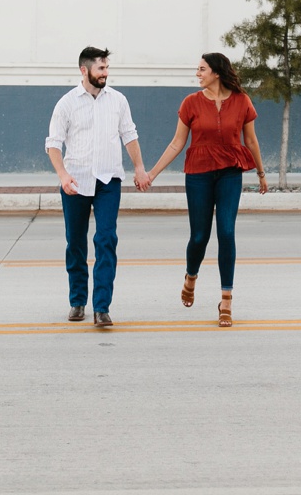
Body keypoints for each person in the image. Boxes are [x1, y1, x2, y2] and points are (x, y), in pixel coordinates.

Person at [140, 52, 267, 327]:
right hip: (198, 174)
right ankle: (191, 276)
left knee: (227, 232)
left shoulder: (242, 101)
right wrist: (152, 174)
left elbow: (251, 141)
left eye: (202, 69)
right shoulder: (191, 103)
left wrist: (260, 173)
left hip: (230, 173)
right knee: (199, 236)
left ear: (216, 73)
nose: (197, 74)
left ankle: (226, 300)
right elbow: (177, 143)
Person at [46, 46, 147, 327]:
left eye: (107, 68)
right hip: (75, 182)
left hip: (108, 181)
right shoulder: (66, 103)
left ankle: (102, 308)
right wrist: (63, 176)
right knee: (75, 243)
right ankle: (78, 302)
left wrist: (139, 168)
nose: (105, 73)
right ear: (84, 70)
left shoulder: (118, 100)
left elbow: (129, 135)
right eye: (100, 68)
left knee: (106, 239)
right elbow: (53, 144)